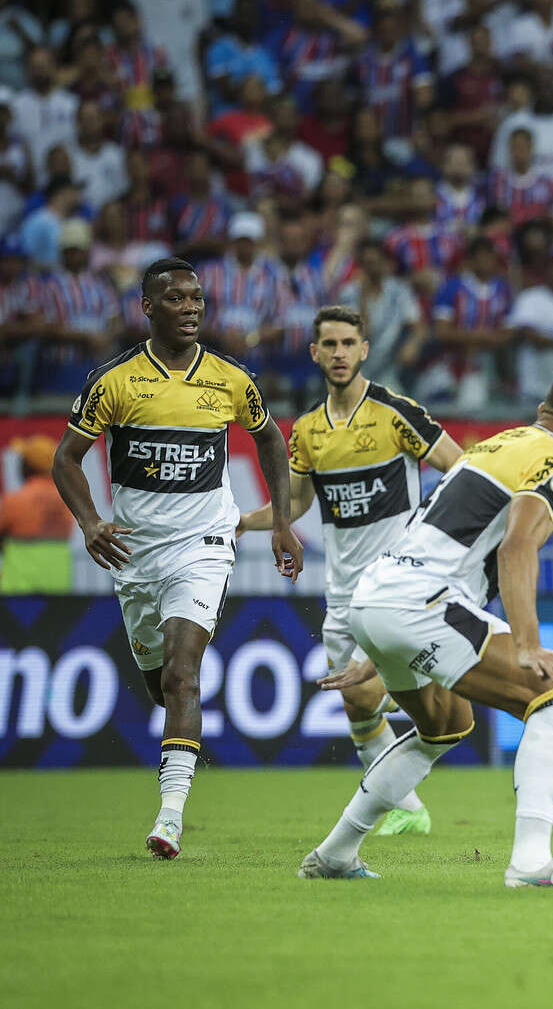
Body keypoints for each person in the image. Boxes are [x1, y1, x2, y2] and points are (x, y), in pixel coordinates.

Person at [302, 364, 553, 888]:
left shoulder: (498, 445)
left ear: (543, 410)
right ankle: (532, 863)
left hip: (378, 595)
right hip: (422, 602)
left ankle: (334, 855)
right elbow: (519, 545)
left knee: (445, 726)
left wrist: (375, 645)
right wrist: (527, 644)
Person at [51, 258, 303, 860]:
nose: (191, 309)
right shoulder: (113, 382)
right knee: (161, 683)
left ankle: (169, 818)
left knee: (184, 672)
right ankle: (182, 747)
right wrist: (90, 522)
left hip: (205, 541)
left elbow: (270, 438)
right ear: (148, 307)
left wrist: (283, 522)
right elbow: (66, 459)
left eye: (197, 299)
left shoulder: (230, 379)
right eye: (177, 300)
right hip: (135, 551)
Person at [235, 306, 466, 834]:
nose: (338, 353)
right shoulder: (309, 430)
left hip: (399, 587)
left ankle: (396, 795)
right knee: (358, 706)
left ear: (365, 349)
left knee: (374, 695)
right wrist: (243, 523)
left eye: (348, 343)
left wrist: (437, 539)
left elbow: (462, 473)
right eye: (329, 345)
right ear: (314, 353)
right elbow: (292, 506)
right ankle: (406, 809)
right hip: (342, 594)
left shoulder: (396, 412)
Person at [0, 434, 73, 592]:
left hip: (18, 592)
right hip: (59, 588)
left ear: (27, 466)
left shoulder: (15, 500)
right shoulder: (68, 501)